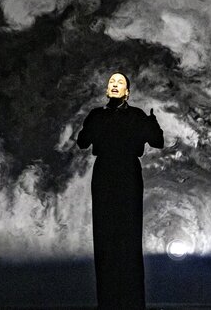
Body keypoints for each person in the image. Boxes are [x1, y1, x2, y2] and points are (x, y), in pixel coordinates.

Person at [76, 72, 164, 309]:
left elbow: (158, 142)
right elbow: (82, 142)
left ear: (127, 92)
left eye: (120, 83)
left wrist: (152, 123)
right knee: (104, 234)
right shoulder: (97, 115)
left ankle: (131, 299)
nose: (115, 85)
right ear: (107, 90)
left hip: (128, 173)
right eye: (112, 83)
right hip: (104, 174)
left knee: (129, 234)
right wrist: (92, 125)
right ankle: (107, 299)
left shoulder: (137, 115)